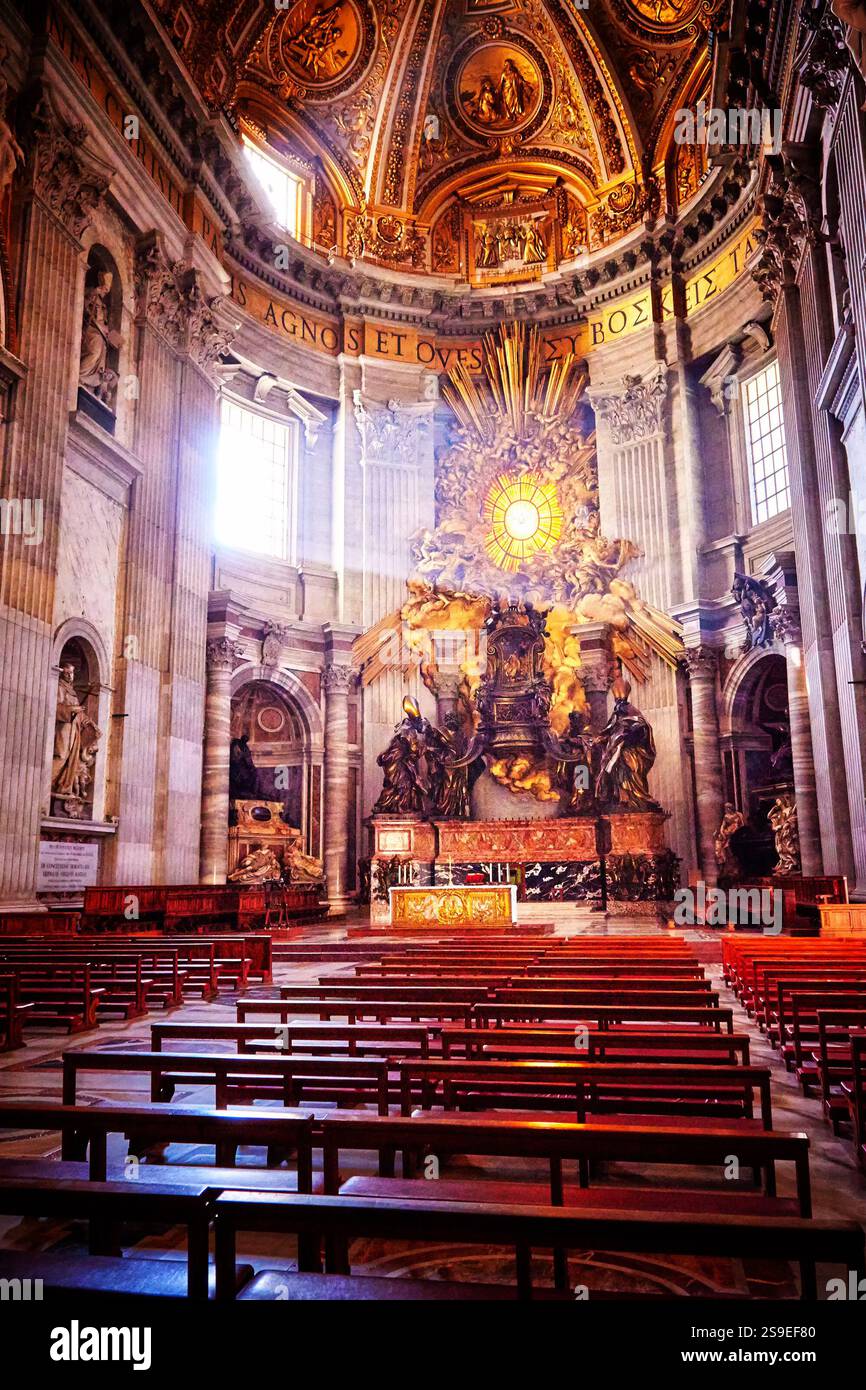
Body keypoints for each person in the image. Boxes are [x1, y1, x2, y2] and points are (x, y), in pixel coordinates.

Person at [594, 677, 659, 810]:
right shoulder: (617, 715)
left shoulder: (632, 712)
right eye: (617, 702)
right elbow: (608, 731)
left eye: (619, 702)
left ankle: (637, 799)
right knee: (617, 775)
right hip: (619, 754)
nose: (618, 706)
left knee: (630, 775)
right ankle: (622, 799)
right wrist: (603, 739)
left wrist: (627, 736)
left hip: (631, 753)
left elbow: (642, 728)